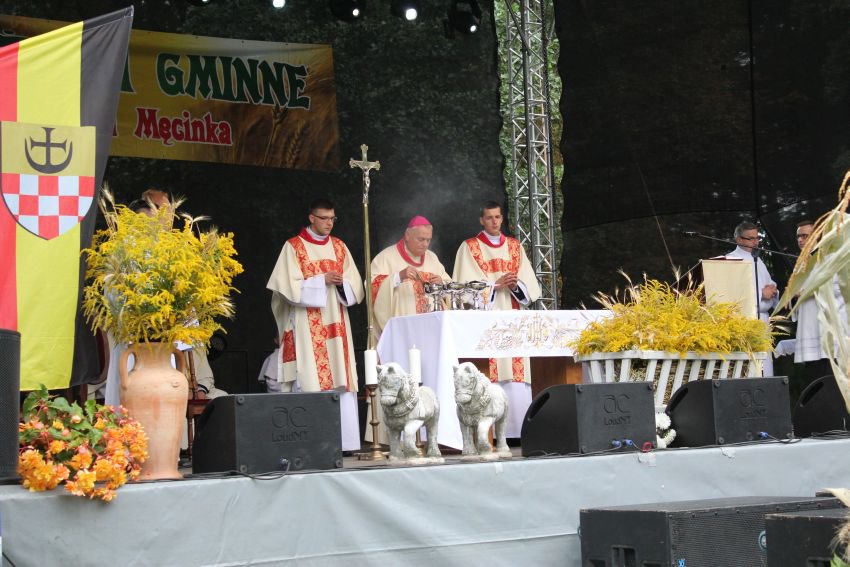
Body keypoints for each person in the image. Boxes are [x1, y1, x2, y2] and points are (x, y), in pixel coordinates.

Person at [266, 198, 364, 451]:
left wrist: (341, 284)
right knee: (310, 376)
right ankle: (312, 443)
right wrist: (321, 281)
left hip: (336, 324)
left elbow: (355, 286)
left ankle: (345, 442)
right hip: (306, 326)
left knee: (341, 377)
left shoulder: (340, 247)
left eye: (332, 218)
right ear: (311, 218)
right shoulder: (294, 247)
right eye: (324, 218)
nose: (329, 223)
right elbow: (286, 288)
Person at [452, 201, 541, 437]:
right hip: (486, 320)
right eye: (489, 217)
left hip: (512, 317)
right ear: (481, 220)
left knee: (515, 373)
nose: (494, 221)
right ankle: (490, 434)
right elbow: (464, 289)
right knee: (491, 373)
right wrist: (494, 286)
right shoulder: (469, 247)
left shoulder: (514, 247)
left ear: (502, 219)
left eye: (498, 217)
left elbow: (529, 286)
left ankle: (518, 432)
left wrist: (515, 285)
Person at [370, 215, 451, 343]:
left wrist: (441, 283)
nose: (425, 244)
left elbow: (450, 286)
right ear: (407, 235)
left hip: (432, 330)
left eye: (428, 240)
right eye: (421, 239)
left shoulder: (432, 258)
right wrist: (398, 277)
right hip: (403, 332)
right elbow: (371, 286)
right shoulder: (386, 257)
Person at [791, 220, 845, 386]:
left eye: (805, 236)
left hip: (826, 326)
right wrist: (792, 296)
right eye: (798, 236)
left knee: (830, 377)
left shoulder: (830, 256)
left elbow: (840, 286)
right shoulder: (800, 263)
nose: (800, 240)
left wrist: (807, 291)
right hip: (807, 325)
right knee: (813, 379)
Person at [726, 221, 778, 375]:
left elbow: (769, 283)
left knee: (765, 368)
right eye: (751, 238)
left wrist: (773, 290)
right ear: (738, 239)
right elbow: (732, 293)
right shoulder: (731, 260)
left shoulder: (758, 260)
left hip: (763, 320)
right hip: (745, 320)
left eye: (757, 238)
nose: (756, 242)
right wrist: (761, 294)